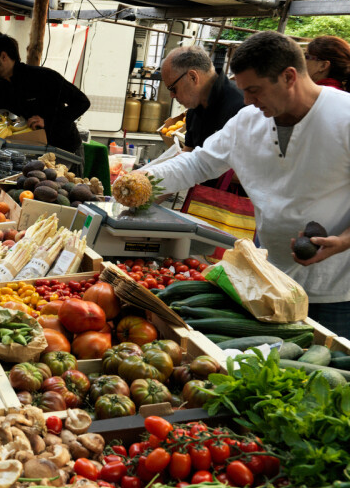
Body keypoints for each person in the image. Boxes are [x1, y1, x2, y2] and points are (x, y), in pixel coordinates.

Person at [146, 31, 350, 337]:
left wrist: (344, 241)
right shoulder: (248, 120)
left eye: (254, 90)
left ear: (289, 76)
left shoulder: (344, 116)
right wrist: (145, 181)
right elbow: (199, 162)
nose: (247, 100)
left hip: (336, 289)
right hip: (268, 278)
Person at [160, 46, 244, 150]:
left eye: (173, 89)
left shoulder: (241, 107)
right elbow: (188, 154)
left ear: (193, 77)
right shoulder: (193, 111)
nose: (172, 95)